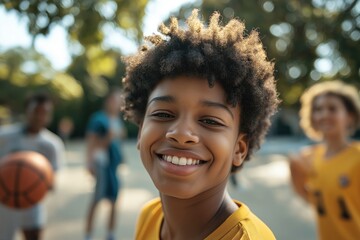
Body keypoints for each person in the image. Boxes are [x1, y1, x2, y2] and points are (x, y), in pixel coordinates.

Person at [121, 9, 279, 240]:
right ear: (140, 132)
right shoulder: (150, 216)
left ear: (239, 149)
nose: (181, 134)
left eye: (209, 120)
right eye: (163, 114)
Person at [289, 80, 360, 240]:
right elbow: (315, 200)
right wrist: (295, 172)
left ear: (349, 116)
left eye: (332, 108)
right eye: (318, 109)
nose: (324, 114)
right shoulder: (307, 158)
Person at [0, 92, 65, 240]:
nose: (40, 116)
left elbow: (52, 183)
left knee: (34, 236)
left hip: (32, 200)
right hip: (4, 202)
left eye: (45, 113)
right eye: (36, 111)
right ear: (27, 111)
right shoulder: (4, 136)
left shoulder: (52, 145)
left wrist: (32, 181)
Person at [84, 89, 126, 240]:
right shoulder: (98, 119)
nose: (118, 104)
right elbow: (91, 143)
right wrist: (89, 163)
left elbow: (118, 142)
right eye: (115, 100)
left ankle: (110, 234)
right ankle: (88, 234)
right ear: (108, 101)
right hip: (101, 164)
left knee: (114, 200)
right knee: (96, 199)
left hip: (113, 166)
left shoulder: (117, 120)